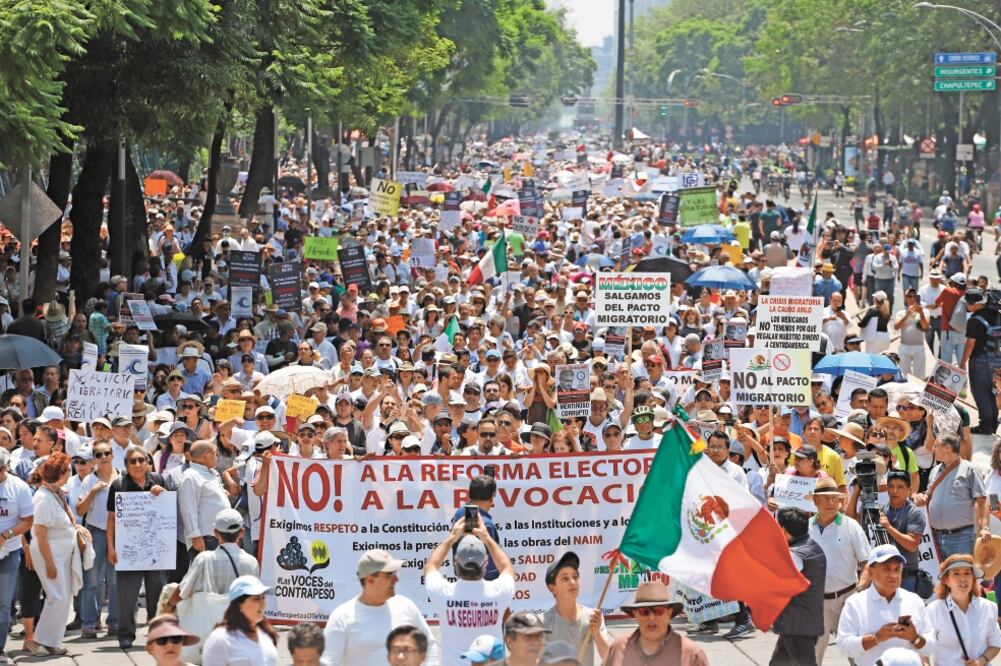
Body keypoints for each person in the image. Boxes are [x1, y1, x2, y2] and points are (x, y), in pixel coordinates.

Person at [424, 512, 515, 664]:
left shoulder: (444, 593)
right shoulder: (498, 592)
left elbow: (431, 566)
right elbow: (507, 567)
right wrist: (486, 537)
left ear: (456, 561)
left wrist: (453, 536)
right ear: (486, 562)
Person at [322, 549, 438, 665]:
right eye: (389, 575)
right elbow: (328, 662)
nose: (396, 580)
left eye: (395, 574)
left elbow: (429, 644)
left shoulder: (405, 606)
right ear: (370, 579)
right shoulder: (341, 617)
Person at [29, 452, 92, 656]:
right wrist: (49, 563)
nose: (70, 473)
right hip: (49, 552)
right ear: (61, 473)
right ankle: (38, 640)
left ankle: (51, 641)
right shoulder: (43, 497)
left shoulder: (57, 492)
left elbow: (68, 517)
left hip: (62, 552)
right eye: (68, 470)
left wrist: (77, 528)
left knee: (64, 598)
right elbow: (40, 533)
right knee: (57, 596)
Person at [106, 445, 169, 649]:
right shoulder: (118, 485)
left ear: (148, 462)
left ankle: (157, 633)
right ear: (126, 465)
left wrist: (164, 493)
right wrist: (110, 547)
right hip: (128, 550)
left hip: (156, 549)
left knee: (157, 594)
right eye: (132, 461)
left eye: (141, 460)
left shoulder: (158, 480)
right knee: (127, 596)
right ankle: (125, 635)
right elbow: (111, 520)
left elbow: (169, 510)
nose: (137, 464)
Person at [836, 544, 934, 666]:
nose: (893, 575)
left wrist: (915, 638)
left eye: (897, 569)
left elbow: (931, 645)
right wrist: (875, 638)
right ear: (871, 573)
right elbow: (843, 645)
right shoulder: (855, 603)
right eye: (886, 569)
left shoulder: (914, 601)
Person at [808, 478, 871, 663]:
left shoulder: (851, 526)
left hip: (847, 597)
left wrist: (858, 592)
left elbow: (866, 563)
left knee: (857, 654)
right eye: (825, 498)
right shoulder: (806, 528)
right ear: (815, 501)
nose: (830, 503)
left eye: (834, 498)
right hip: (816, 601)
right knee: (812, 654)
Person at [168, 508, 259, 611]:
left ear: (215, 532)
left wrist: (169, 606)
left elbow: (183, 591)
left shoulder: (204, 559)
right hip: (237, 622)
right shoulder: (252, 562)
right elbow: (254, 597)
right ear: (241, 532)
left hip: (209, 622)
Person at [914, 433, 988, 559]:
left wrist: (984, 527)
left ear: (947, 448)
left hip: (962, 537)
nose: (933, 449)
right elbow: (929, 496)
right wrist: (921, 498)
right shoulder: (934, 471)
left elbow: (981, 500)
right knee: (945, 578)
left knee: (963, 575)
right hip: (936, 538)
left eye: (936, 446)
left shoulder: (970, 469)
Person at [603, 580, 708, 666]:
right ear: (635, 615)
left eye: (658, 611)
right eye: (644, 611)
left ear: (669, 613)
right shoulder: (618, 648)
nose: (651, 617)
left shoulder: (691, 655)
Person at [771, 507, 826, 666]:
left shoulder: (794, 554)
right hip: (803, 621)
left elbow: (778, 585)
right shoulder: (812, 546)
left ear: (783, 529)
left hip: (796, 626)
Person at [925, 554, 1001, 666]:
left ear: (973, 578)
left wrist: (981, 661)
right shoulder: (933, 610)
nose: (963, 578)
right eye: (956, 573)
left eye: (967, 573)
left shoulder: (989, 607)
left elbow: (995, 644)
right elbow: (923, 648)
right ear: (946, 580)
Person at [539, 551, 611, 666]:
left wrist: (597, 634)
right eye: (565, 578)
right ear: (552, 588)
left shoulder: (593, 617)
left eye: (575, 577)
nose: (573, 582)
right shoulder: (542, 623)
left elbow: (609, 658)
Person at [0, 447, 33, 664]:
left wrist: (8, 534)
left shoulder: (19, 487)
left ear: (5, 467)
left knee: (3, 602)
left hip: (9, 550)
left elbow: (28, 520)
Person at [201, 576, 279, 666]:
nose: (263, 603)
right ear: (239, 605)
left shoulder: (266, 634)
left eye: (263, 598)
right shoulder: (220, 639)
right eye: (256, 599)